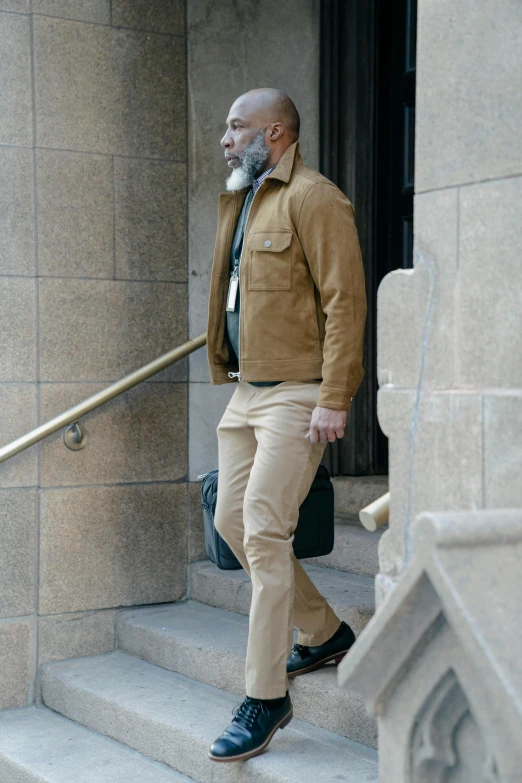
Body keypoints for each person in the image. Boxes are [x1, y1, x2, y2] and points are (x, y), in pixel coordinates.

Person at [205, 88, 367, 763]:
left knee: (265, 530)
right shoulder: (247, 196)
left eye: (235, 126)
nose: (224, 137)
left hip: (298, 395)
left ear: (275, 131)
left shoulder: (315, 197)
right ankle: (324, 630)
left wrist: (336, 395)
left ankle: (266, 695)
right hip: (247, 391)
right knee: (230, 523)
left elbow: (345, 300)